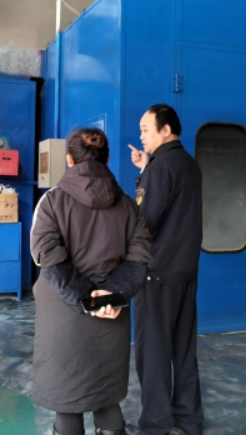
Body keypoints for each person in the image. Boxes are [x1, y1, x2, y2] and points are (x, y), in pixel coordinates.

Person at [31, 128, 153, 435]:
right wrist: (111, 295)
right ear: (107, 159)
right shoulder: (129, 206)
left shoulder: (51, 202)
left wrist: (87, 297)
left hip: (63, 315)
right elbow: (140, 257)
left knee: (68, 399)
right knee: (106, 395)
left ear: (69, 160)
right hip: (111, 314)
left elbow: (47, 257)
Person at [128, 104, 204, 435]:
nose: (141, 136)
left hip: (156, 274)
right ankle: (188, 419)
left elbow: (146, 221)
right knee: (184, 349)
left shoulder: (160, 168)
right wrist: (147, 168)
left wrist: (146, 174)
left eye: (146, 129)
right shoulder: (188, 164)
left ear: (166, 130)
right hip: (185, 271)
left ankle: (155, 425)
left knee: (154, 351)